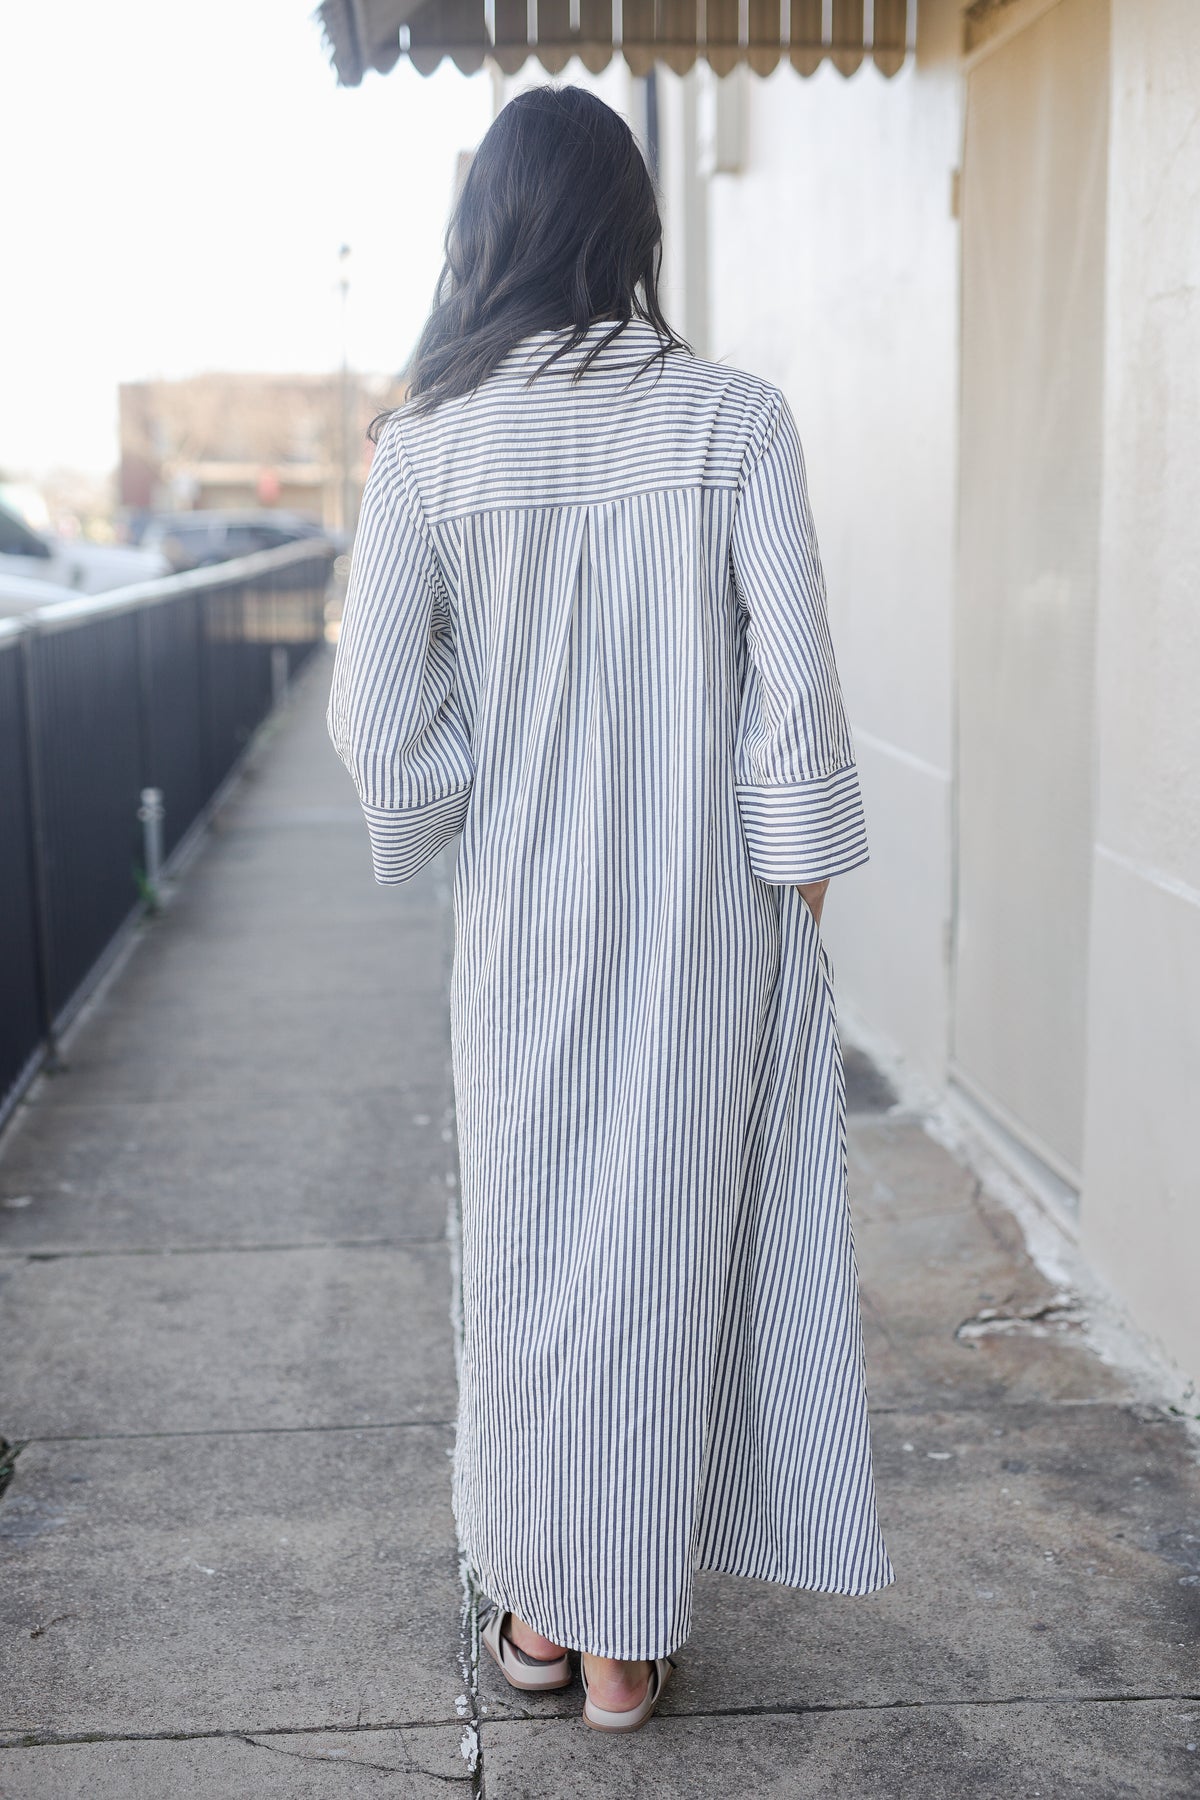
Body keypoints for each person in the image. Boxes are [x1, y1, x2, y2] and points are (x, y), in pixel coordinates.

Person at [326, 82, 895, 1736]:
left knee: (537, 1261)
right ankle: (629, 1643)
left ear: (482, 233)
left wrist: (464, 796)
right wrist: (793, 894)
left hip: (525, 924)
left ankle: (547, 1613)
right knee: (674, 1255)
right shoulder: (735, 419)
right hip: (713, 917)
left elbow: (377, 721)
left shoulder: (428, 443)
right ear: (633, 230)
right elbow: (797, 685)